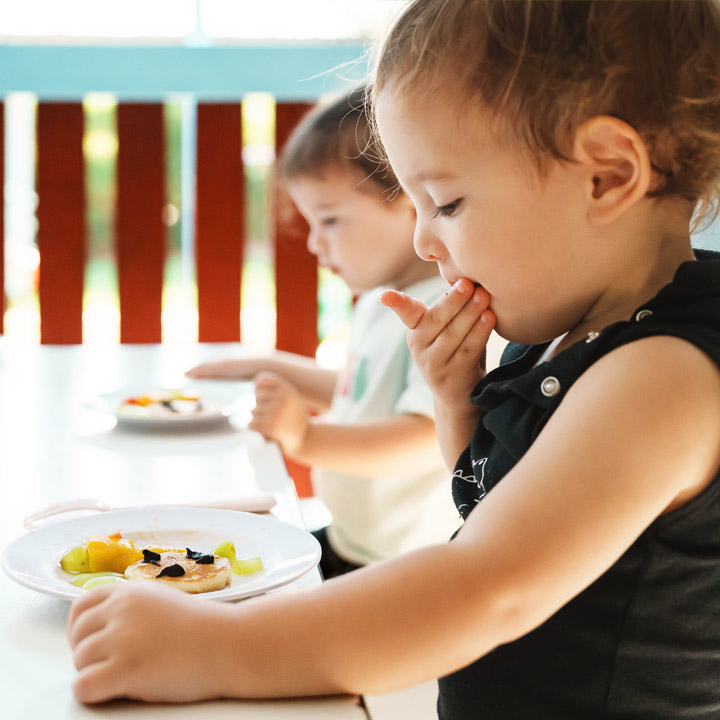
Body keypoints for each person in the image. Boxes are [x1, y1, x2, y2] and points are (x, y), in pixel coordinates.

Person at [67, 2, 720, 716]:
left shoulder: (663, 378)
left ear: (606, 176)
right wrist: (457, 403)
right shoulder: (570, 331)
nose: (423, 244)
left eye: (445, 202)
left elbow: (487, 584)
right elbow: (493, 503)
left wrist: (216, 646)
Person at [186, 87, 459, 578]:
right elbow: (359, 391)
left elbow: (424, 436)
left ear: (412, 201)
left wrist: (306, 437)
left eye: (329, 220)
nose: (314, 242)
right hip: (351, 541)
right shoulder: (382, 301)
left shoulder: (441, 310)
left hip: (402, 569)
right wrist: (267, 366)